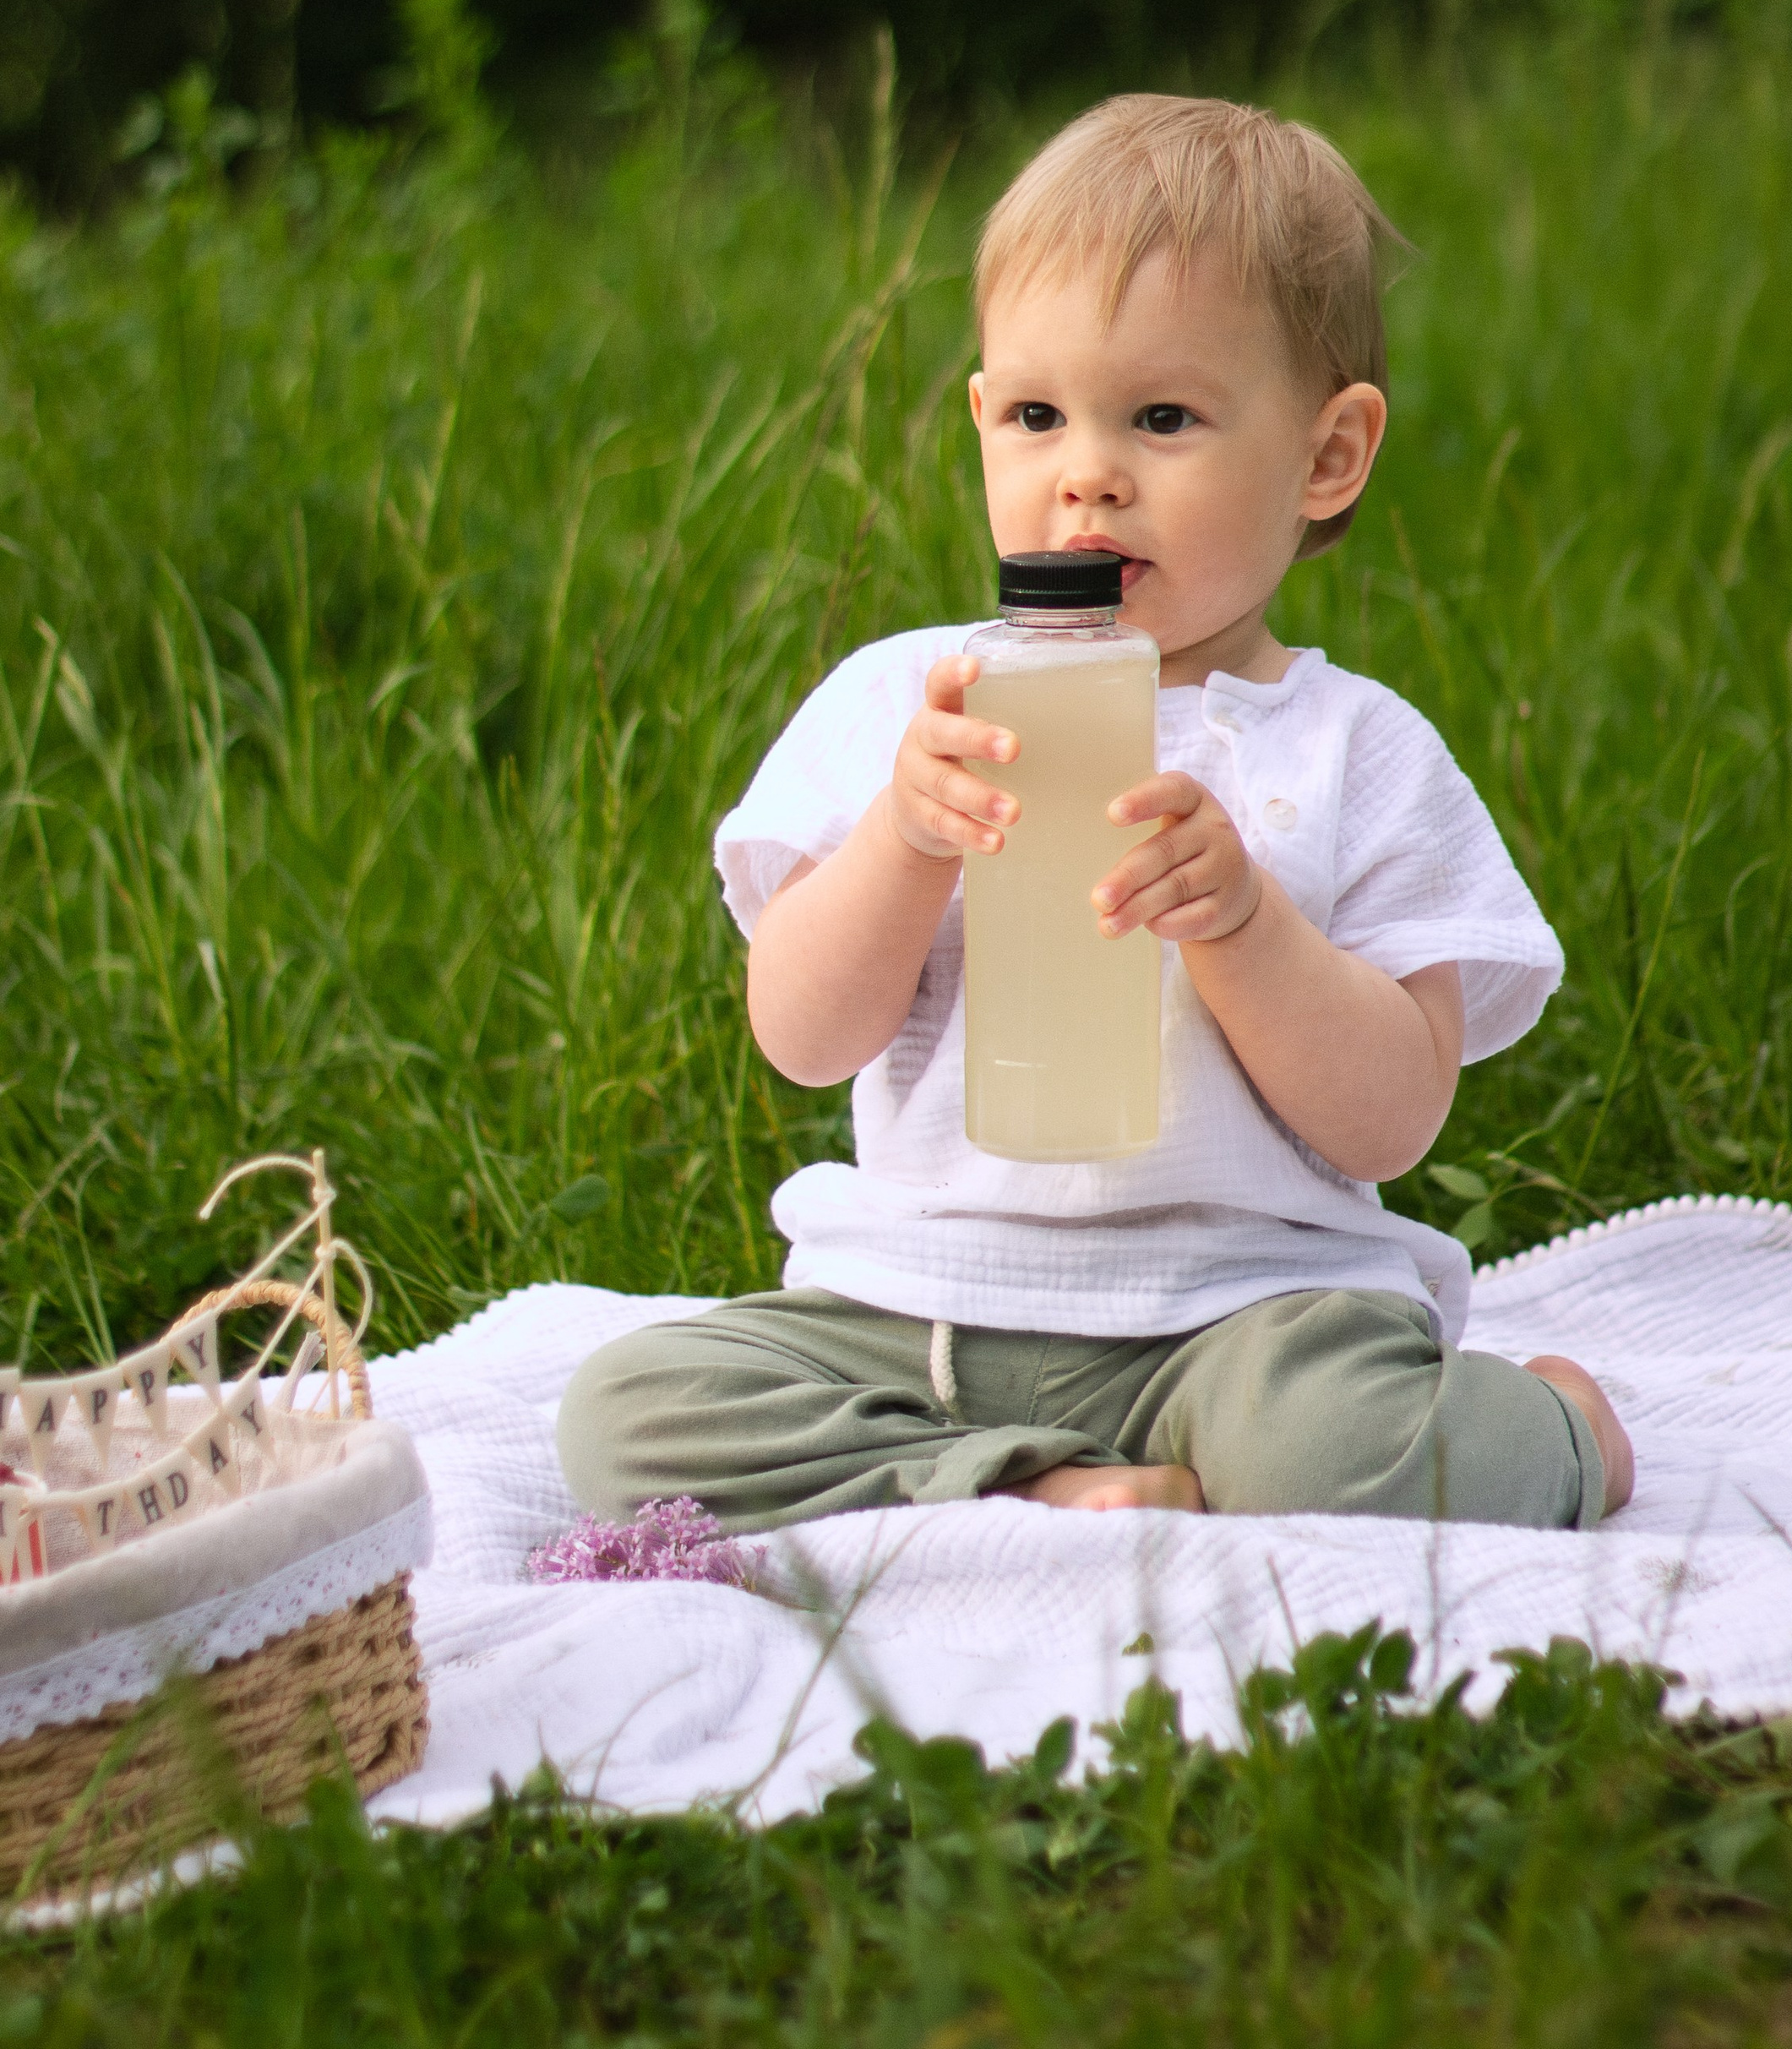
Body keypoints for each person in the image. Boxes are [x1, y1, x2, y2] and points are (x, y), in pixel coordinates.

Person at [558, 95, 1632, 1531]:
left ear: (1327, 455)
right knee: (626, 1416)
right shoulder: (909, 705)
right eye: (1037, 415)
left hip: (1241, 1321)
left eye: (1163, 418)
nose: (1088, 472)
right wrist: (903, 842)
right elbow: (801, 1036)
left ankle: (1560, 1426)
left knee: (1337, 1454)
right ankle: (1035, 1479)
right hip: (922, 1307)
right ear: (981, 422)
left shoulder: (1352, 748)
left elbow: (1393, 1119)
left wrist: (1245, 924)